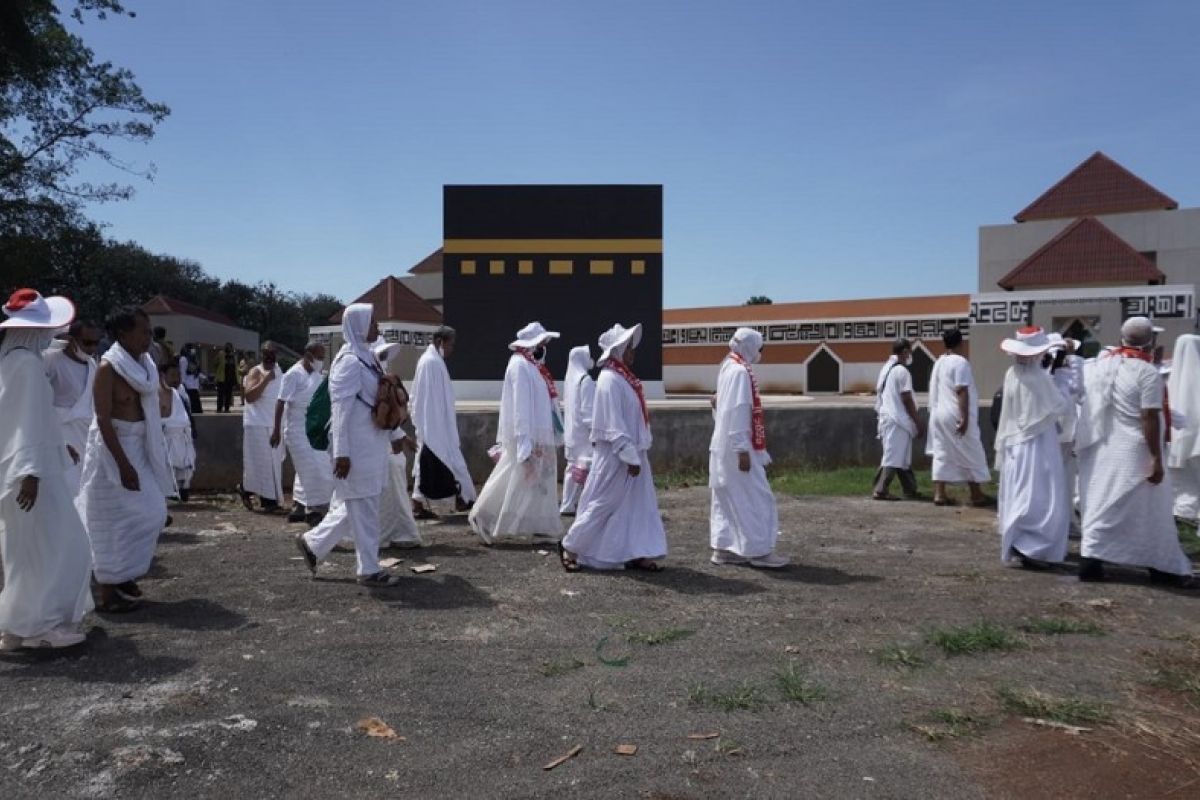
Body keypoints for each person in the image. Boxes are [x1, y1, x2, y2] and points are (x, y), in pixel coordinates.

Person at [0, 289, 94, 650]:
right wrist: (33, 473)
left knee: (22, 551)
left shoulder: (9, 362)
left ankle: (16, 626)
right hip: (31, 474)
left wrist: (58, 446)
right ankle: (43, 625)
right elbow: (28, 421)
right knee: (62, 546)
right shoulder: (27, 365)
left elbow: (29, 420)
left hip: (18, 469)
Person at [1075, 317, 1193, 585]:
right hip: (1135, 450)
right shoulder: (1147, 372)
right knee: (1150, 511)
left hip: (1103, 448)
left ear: (1121, 339)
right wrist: (1155, 459)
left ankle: (1091, 561)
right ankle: (1160, 567)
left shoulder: (1101, 367)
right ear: (1151, 341)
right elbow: (1148, 417)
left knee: (1102, 506)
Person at [76, 306, 175, 613]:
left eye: (149, 331)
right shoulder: (108, 368)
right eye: (143, 331)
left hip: (139, 446)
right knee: (110, 521)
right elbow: (103, 419)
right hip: (111, 451)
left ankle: (125, 575)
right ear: (123, 334)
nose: (148, 337)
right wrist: (123, 464)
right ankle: (109, 589)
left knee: (153, 512)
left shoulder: (145, 366)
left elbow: (162, 408)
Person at [295, 303, 401, 587]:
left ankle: (312, 544)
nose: (377, 327)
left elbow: (379, 402)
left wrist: (396, 435)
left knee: (354, 504)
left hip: (370, 446)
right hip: (354, 449)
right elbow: (340, 411)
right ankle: (368, 569)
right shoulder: (348, 362)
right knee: (363, 508)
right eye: (373, 322)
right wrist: (341, 454)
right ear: (358, 326)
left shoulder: (367, 358)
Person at [560, 323, 667, 572]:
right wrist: (628, 456)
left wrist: (636, 454)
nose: (633, 352)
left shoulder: (624, 379)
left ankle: (637, 551)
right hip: (616, 456)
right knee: (602, 503)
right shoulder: (609, 380)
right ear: (618, 350)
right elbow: (613, 424)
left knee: (638, 506)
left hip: (634, 453)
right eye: (628, 347)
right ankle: (571, 546)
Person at [469, 322, 564, 544]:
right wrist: (524, 440)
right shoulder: (520, 365)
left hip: (539, 435)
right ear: (531, 344)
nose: (544, 347)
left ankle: (539, 525)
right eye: (542, 343)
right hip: (527, 436)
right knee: (510, 478)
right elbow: (521, 405)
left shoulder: (532, 366)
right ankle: (481, 516)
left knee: (536, 484)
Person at [708, 327, 788, 568]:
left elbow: (721, 403)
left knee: (726, 498)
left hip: (724, 447)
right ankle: (759, 552)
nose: (760, 353)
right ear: (750, 347)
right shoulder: (741, 372)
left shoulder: (727, 367)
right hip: (736, 448)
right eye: (759, 348)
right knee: (756, 497)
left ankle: (722, 549)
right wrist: (742, 450)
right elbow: (739, 410)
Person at [994, 327, 1071, 569]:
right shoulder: (1038, 377)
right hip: (1037, 443)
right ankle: (1033, 546)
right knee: (1040, 494)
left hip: (1015, 441)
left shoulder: (1011, 373)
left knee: (1020, 492)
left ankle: (1019, 540)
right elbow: (1060, 406)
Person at [410, 325, 476, 518]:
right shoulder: (430, 363)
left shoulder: (434, 361)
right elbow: (427, 400)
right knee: (447, 463)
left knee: (435, 465)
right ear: (440, 342)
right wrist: (435, 427)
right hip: (434, 426)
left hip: (438, 425)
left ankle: (460, 499)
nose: (452, 349)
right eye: (450, 344)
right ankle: (463, 499)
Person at [925, 329, 992, 507]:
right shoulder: (960, 362)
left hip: (938, 414)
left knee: (942, 451)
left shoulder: (940, 362)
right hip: (954, 413)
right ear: (961, 343)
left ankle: (939, 494)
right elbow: (961, 389)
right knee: (971, 450)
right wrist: (964, 417)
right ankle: (976, 494)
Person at [273, 341, 331, 525]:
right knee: (311, 469)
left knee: (313, 468)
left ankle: (300, 505)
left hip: (314, 429)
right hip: (297, 430)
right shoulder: (293, 374)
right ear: (308, 355)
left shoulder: (317, 375)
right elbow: (281, 402)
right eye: (319, 357)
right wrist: (276, 431)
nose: (322, 361)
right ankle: (314, 510)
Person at [43, 319, 101, 495]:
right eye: (87, 343)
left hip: (86, 436)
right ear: (71, 339)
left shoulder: (94, 365)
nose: (91, 348)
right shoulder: (51, 360)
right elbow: (38, 399)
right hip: (60, 435)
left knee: (85, 488)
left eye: (96, 343)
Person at [373, 341, 423, 549]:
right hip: (376, 446)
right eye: (381, 355)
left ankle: (403, 533)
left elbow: (390, 415)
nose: (385, 359)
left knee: (396, 492)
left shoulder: (381, 376)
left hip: (386, 444)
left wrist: (401, 437)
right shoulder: (370, 378)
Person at [873, 339, 924, 500]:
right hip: (897, 420)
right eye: (909, 352)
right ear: (905, 352)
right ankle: (880, 489)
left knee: (900, 456)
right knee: (893, 456)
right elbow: (906, 398)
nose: (910, 356)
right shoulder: (901, 371)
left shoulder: (886, 368)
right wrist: (917, 421)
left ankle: (910, 489)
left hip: (889, 418)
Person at [239, 344, 284, 513]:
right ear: (261, 354)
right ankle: (267, 499)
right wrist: (266, 380)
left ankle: (247, 489)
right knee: (261, 464)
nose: (269, 357)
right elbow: (249, 397)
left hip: (273, 424)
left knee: (272, 465)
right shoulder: (255, 372)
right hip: (257, 424)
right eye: (266, 353)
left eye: (272, 353)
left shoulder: (280, 372)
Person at [560, 345, 596, 515]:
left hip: (571, 433)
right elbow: (587, 410)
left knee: (572, 468)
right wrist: (593, 431)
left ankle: (567, 503)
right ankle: (582, 503)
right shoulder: (585, 380)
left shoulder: (570, 380)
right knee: (584, 468)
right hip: (583, 433)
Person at [1168, 333, 1200, 528]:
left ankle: (1184, 518)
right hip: (1195, 442)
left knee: (1183, 486)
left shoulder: (1169, 380)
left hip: (1176, 442)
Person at [161, 360, 196, 503]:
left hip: (183, 436)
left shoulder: (181, 392)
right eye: (173, 375)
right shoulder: (156, 394)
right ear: (163, 376)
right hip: (165, 438)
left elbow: (188, 415)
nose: (176, 379)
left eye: (178, 375)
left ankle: (183, 489)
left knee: (185, 468)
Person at [178, 343, 203, 414]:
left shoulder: (194, 360)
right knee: (192, 407)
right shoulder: (184, 359)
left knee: (197, 408)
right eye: (192, 348)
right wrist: (183, 385)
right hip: (188, 386)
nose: (193, 350)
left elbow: (196, 372)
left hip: (194, 386)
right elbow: (182, 373)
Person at [214, 343, 237, 413]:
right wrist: (217, 373)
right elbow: (215, 364)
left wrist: (235, 379)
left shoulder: (233, 357)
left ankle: (227, 408)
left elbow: (235, 368)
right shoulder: (221, 354)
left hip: (230, 379)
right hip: (222, 379)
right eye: (227, 347)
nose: (229, 349)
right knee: (220, 395)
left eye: (230, 347)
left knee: (228, 395)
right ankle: (219, 408)